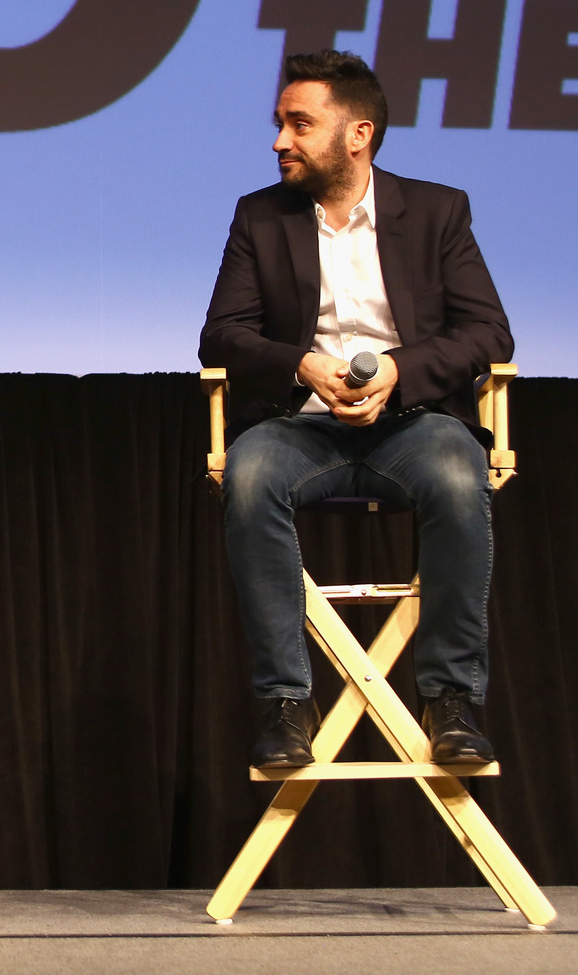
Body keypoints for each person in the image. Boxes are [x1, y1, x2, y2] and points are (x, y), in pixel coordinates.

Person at [200, 49, 513, 769]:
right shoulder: (261, 216)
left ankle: (451, 700)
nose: (280, 141)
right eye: (280, 124)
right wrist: (301, 362)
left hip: (413, 424)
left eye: (299, 124)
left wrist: (399, 373)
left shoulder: (436, 211)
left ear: (357, 134)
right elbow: (221, 333)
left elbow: (488, 332)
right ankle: (286, 704)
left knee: (461, 476)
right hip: (300, 426)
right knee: (249, 478)